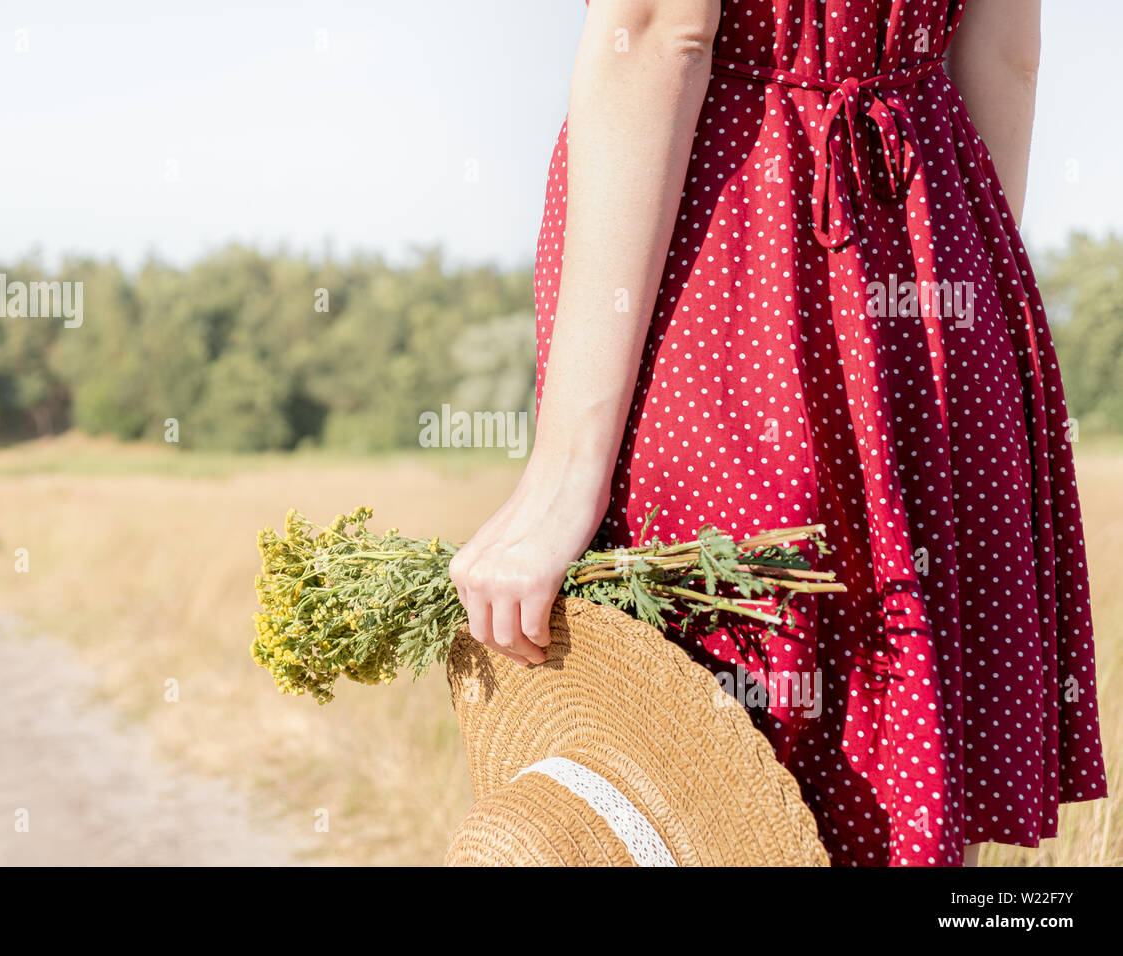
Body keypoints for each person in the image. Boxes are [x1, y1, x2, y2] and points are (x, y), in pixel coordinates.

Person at [449, 0, 1107, 867]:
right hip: (935, 238)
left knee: (716, 734)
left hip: (739, 251)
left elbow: (656, 30)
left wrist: (566, 471)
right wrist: (945, 312)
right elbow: (1005, 50)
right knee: (895, 748)